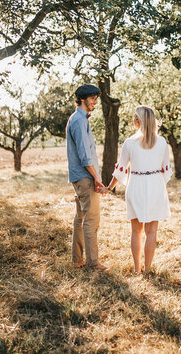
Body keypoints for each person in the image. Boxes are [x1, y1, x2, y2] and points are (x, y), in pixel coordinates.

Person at [107, 105, 172, 275]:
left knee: (136, 231)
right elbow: (166, 171)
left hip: (136, 184)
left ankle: (137, 269)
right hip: (156, 184)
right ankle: (147, 269)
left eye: (134, 118)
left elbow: (120, 170)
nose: (133, 120)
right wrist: (158, 188)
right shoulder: (162, 142)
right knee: (152, 231)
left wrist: (109, 188)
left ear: (138, 121)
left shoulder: (129, 143)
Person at [66, 84, 109, 271]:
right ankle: (93, 263)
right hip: (85, 177)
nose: (95, 102)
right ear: (82, 99)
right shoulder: (79, 121)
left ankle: (78, 260)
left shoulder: (79, 119)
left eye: (96, 98)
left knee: (80, 218)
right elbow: (85, 156)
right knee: (91, 220)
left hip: (80, 176)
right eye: (92, 98)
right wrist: (97, 178)